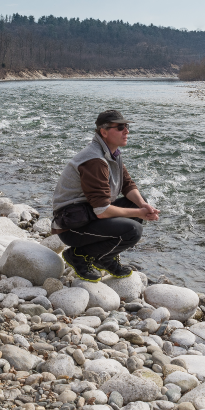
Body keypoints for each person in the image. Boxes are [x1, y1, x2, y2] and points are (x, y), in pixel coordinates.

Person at [51, 110, 160, 282]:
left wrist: (142, 206)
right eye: (120, 127)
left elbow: (127, 184)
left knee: (140, 201)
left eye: (127, 126)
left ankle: (106, 257)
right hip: (72, 226)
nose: (127, 131)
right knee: (134, 230)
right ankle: (79, 255)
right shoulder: (95, 160)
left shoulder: (112, 153)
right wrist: (139, 214)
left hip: (88, 216)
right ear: (104, 132)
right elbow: (102, 210)